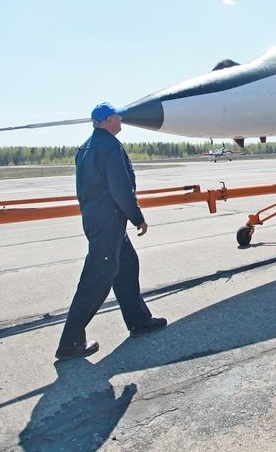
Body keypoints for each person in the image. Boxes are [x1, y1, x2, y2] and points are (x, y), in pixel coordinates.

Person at [55, 102, 167, 362]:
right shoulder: (109, 147)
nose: (120, 121)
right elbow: (120, 188)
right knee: (97, 279)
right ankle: (70, 341)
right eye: (117, 117)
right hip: (108, 222)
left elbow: (84, 189)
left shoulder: (87, 147)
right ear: (106, 121)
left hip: (98, 219)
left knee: (127, 265)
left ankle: (139, 320)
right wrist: (137, 217)